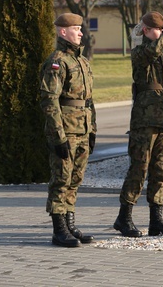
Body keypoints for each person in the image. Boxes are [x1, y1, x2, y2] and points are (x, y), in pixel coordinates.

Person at [114, 11, 163, 238]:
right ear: (145, 30)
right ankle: (124, 217)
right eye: (156, 30)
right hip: (144, 121)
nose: (160, 33)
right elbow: (153, 50)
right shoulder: (141, 52)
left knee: (160, 171)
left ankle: (156, 220)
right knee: (139, 169)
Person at [40, 13, 97, 248]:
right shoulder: (57, 61)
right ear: (63, 32)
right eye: (76, 28)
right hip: (66, 130)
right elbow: (49, 100)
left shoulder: (82, 61)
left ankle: (70, 223)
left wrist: (92, 130)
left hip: (82, 129)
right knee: (61, 179)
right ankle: (59, 229)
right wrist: (57, 136)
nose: (81, 32)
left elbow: (89, 100)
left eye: (80, 28)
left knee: (75, 178)